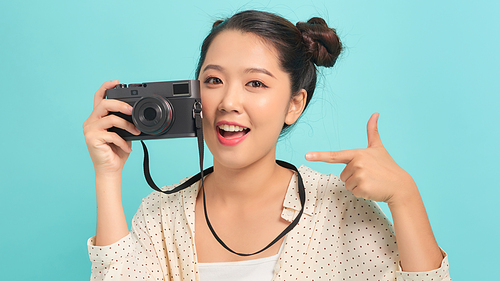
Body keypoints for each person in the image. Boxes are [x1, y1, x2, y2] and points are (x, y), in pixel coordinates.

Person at [83, 10, 451, 281]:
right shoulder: (161, 214)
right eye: (213, 80)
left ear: (294, 105)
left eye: (255, 84)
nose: (228, 101)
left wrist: (406, 196)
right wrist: (107, 175)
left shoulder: (339, 207)